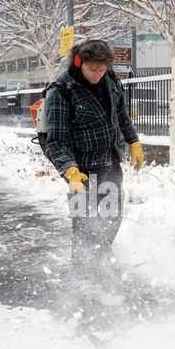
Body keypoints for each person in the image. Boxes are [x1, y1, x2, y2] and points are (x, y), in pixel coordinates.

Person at [45, 39, 144, 280]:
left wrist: (133, 141)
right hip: (82, 171)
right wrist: (70, 171)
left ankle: (99, 261)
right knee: (83, 225)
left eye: (102, 70)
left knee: (112, 218)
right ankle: (83, 276)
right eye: (92, 70)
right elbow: (56, 140)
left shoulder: (110, 80)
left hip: (110, 163)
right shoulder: (62, 90)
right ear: (78, 62)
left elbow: (121, 114)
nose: (97, 75)